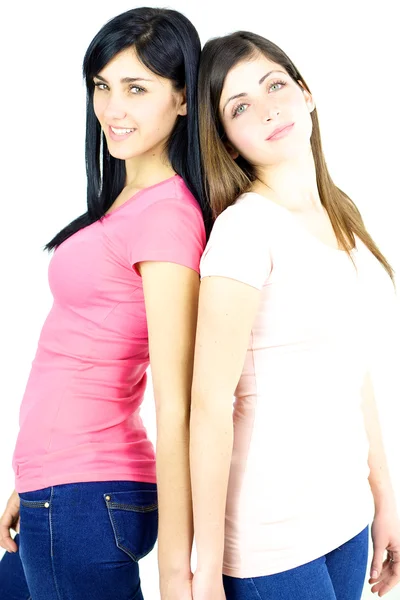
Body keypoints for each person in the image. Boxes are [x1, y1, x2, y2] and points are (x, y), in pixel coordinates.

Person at [0, 8, 210, 600]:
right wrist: (34, 477)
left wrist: (177, 566)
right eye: (103, 86)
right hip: (66, 485)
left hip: (89, 492)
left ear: (184, 100)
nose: (113, 108)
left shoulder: (167, 217)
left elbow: (177, 402)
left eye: (136, 88)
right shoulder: (126, 203)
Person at [190, 31, 400, 600]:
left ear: (306, 94)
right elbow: (208, 407)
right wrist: (204, 571)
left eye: (275, 84)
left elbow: (354, 370)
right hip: (270, 540)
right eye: (239, 107)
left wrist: (385, 498)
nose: (268, 109)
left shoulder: (343, 215)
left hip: (346, 517)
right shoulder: (244, 231)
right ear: (227, 141)